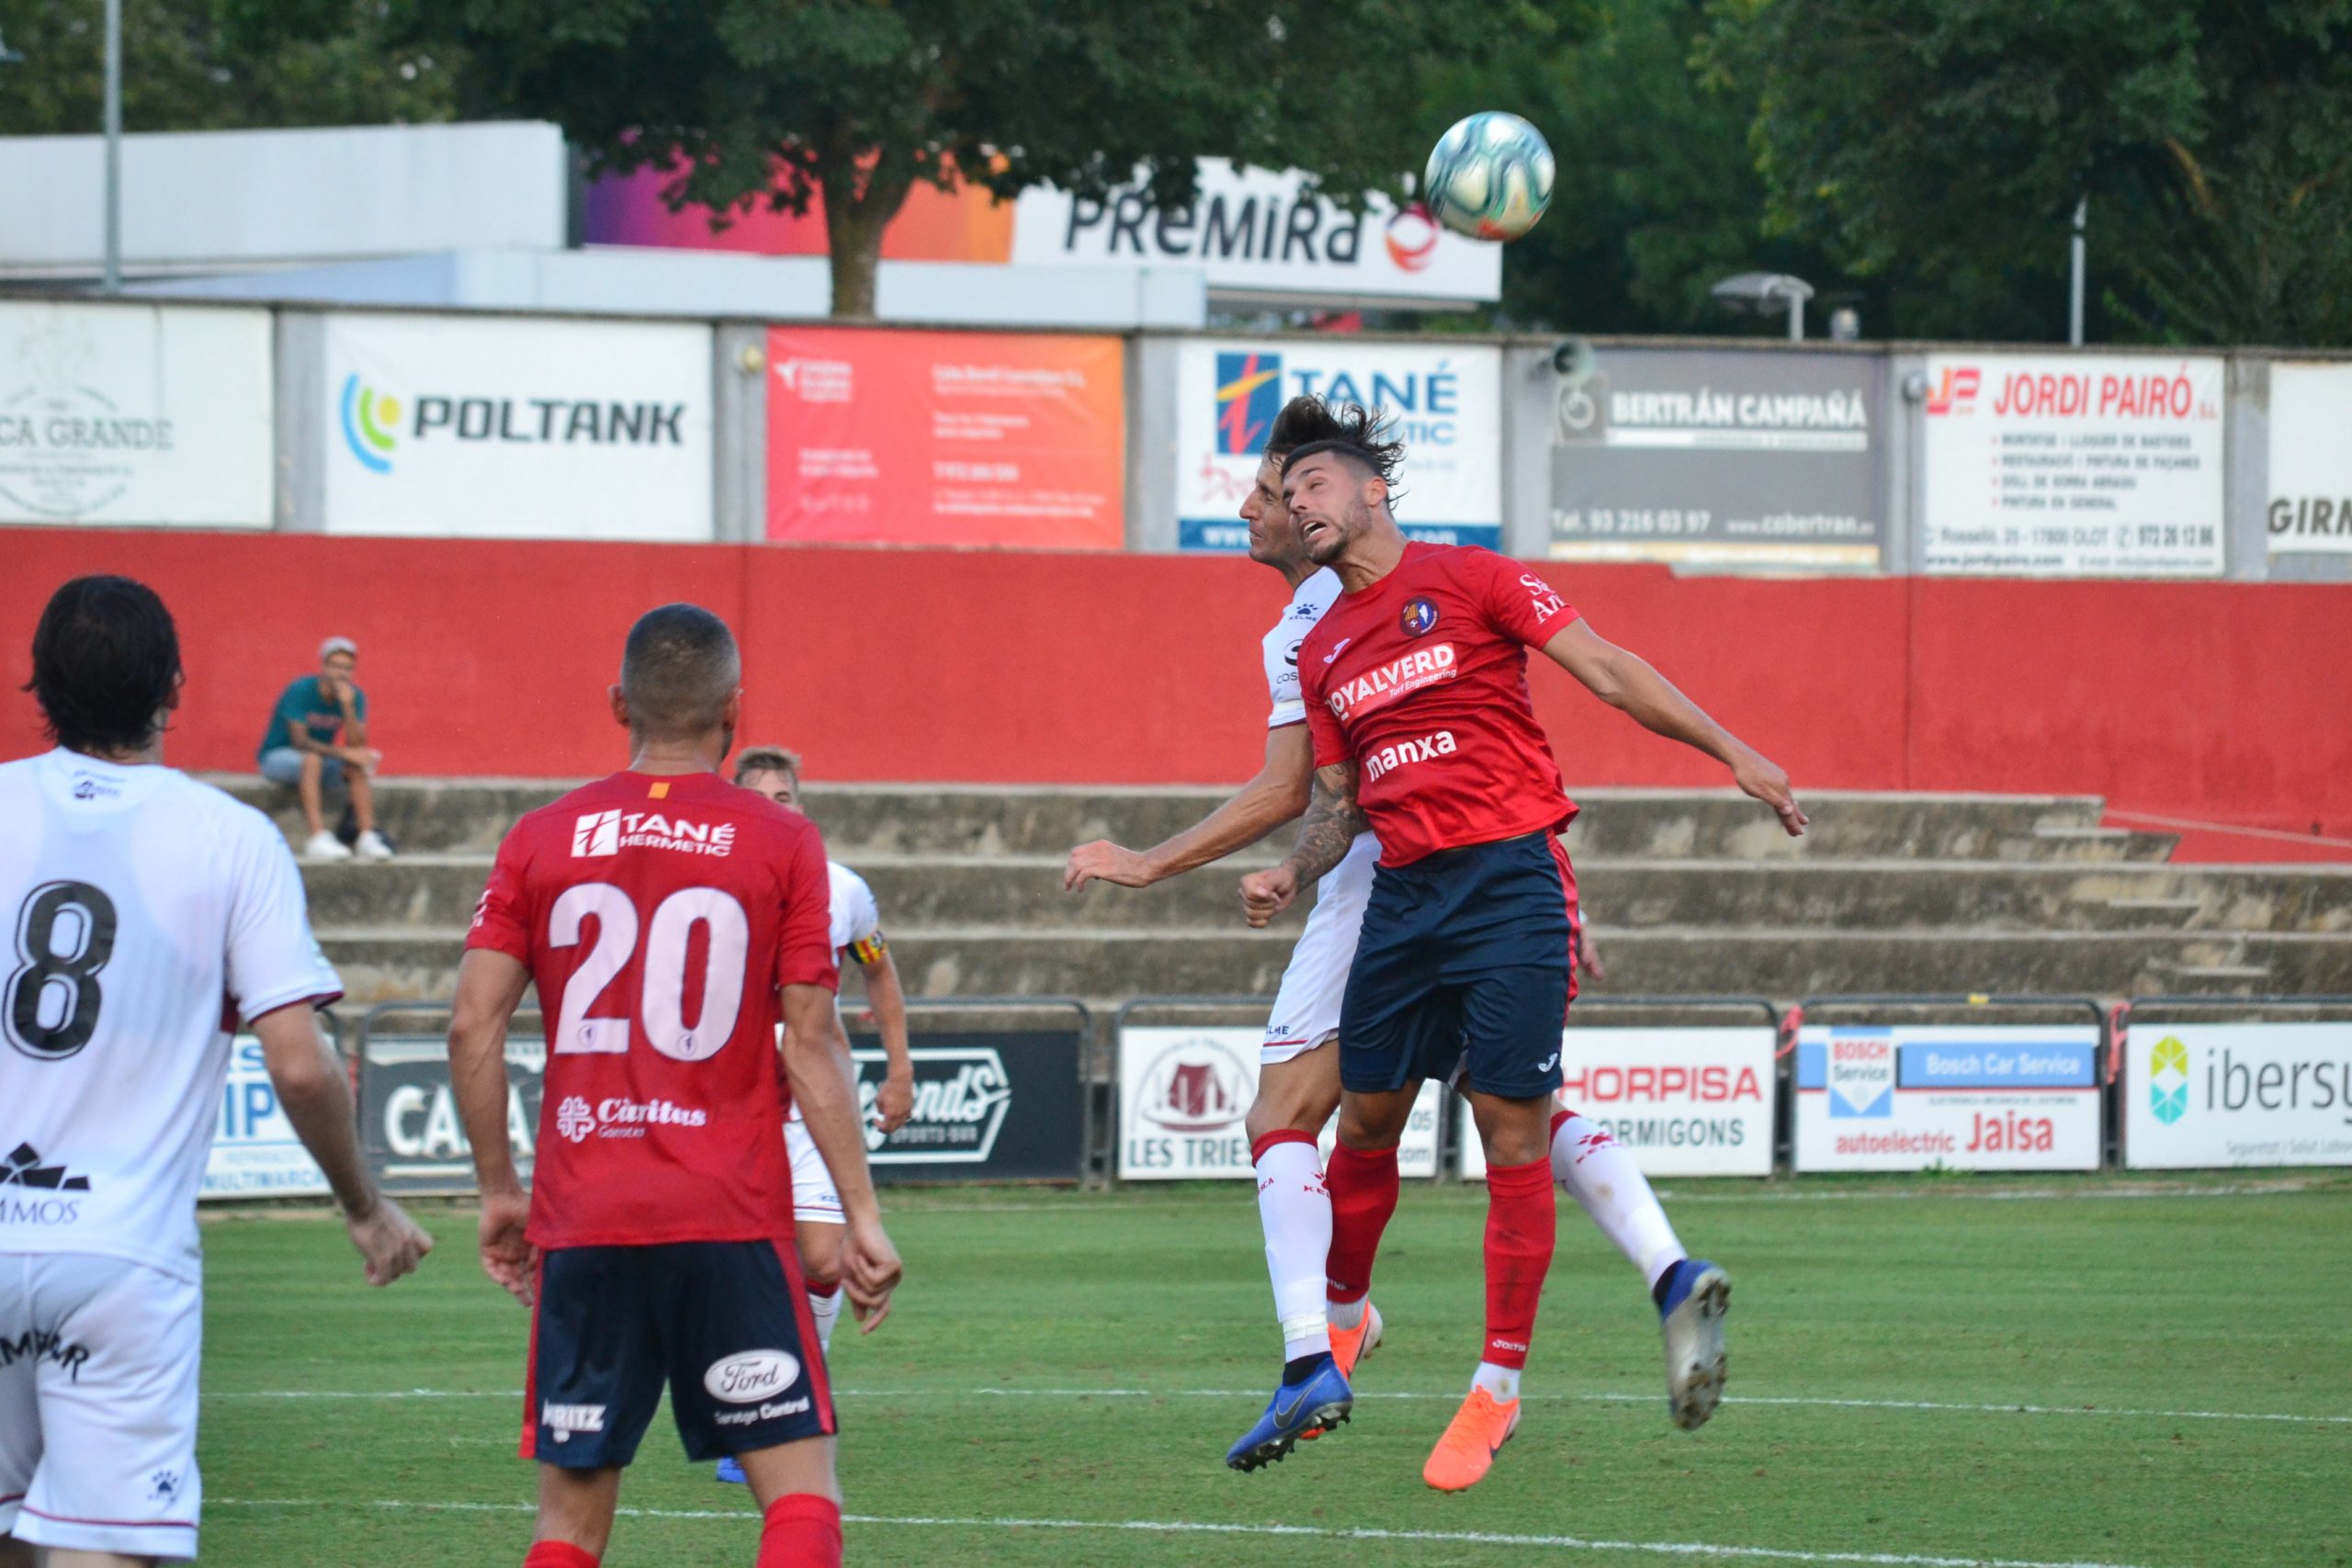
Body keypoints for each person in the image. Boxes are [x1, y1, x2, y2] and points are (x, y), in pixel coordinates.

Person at [1066, 399, 1668, 1476]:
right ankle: (1652, 1269)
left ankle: (1330, 1341)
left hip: (1390, 888)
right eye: (1268, 492)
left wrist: (1157, 862)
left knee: (1298, 1114)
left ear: (1350, 493)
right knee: (1487, 1108)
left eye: (1279, 488)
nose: (1262, 509)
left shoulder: (1343, 609)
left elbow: (1296, 789)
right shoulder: (1310, 626)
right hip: (1400, 885)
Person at [1241, 434, 1805, 1493]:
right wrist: (1291, 870)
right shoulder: (1319, 651)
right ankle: (1337, 1332)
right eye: (1287, 490)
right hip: (1403, 898)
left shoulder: (1471, 577)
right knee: (1363, 1118)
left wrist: (1736, 754)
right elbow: (1337, 798)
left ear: (1373, 493)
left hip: (1507, 882)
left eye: (1313, 484)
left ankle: (1497, 1386)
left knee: (1510, 1131)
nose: (1293, 503)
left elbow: (1607, 670)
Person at [446, 604, 901, 1568]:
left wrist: (498, 1194)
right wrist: (860, 1213)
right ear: (736, 709)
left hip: (583, 1211)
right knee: (801, 1495)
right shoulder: (784, 843)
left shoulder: (538, 836)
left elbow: (471, 1023)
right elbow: (810, 1042)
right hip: (727, 1208)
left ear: (618, 703)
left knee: (567, 1528)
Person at [0, 576, 431, 1568]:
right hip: (119, 1257)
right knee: (104, 1548)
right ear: (174, 687)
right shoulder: (231, 837)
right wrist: (365, 1205)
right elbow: (302, 1067)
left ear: (41, 688)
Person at [714, 744, 916, 1488]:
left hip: (812, 1099)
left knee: (825, 1259)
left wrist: (900, 1067)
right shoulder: (703, 875)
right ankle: (747, 1407)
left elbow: (878, 968)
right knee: (741, 1264)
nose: (775, 806)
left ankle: (789, 1405)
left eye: (786, 795)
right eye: (759, 795)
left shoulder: (840, 890)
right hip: (725, 1097)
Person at [258, 636, 391, 862]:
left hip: (318, 760)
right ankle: (318, 837)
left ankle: (367, 836)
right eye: (336, 666)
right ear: (323, 666)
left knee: (353, 765)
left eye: (348, 668)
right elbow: (299, 741)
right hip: (277, 757)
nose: (341, 673)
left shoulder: (354, 696)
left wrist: (348, 707)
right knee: (312, 759)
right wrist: (344, 753)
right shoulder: (300, 689)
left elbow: (356, 745)